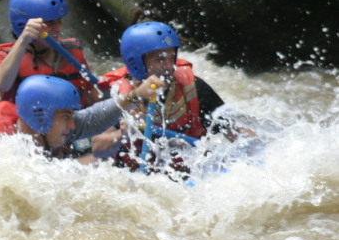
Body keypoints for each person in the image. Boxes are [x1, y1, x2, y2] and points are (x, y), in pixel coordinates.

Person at [97, 21, 243, 171]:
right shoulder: (116, 95)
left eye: (171, 58)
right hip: (136, 177)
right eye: (160, 59)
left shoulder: (192, 86)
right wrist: (122, 134)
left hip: (188, 172)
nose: (168, 66)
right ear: (136, 63)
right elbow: (97, 147)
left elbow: (237, 132)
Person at [0, 74, 160, 163]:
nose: (72, 125)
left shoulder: (46, 125)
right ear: (41, 116)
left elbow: (93, 118)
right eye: (66, 117)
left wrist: (135, 95)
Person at [0, 0, 100, 107]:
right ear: (24, 25)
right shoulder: (2, 55)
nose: (58, 28)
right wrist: (23, 40)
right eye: (50, 23)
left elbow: (93, 99)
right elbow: (2, 84)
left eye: (59, 21)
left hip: (71, 122)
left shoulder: (72, 52)